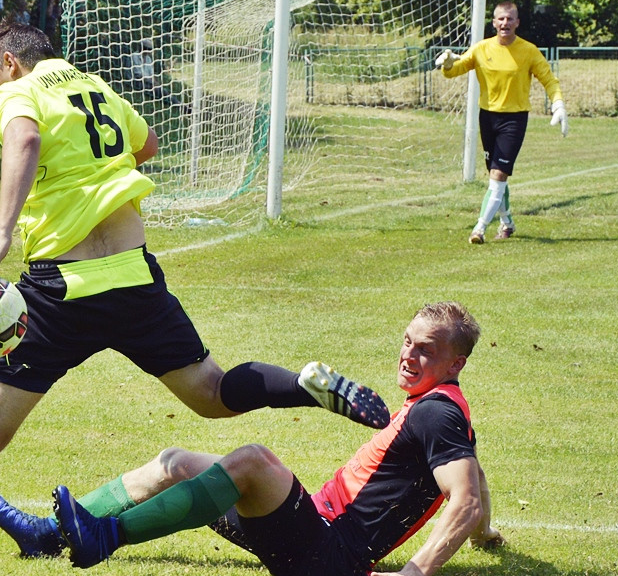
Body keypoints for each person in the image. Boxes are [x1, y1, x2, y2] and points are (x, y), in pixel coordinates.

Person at [0, 23, 391, 462]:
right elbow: (147, 143)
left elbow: (25, 138)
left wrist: (4, 228)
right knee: (212, 392)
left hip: (63, 291)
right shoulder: (94, 84)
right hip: (134, 278)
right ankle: (303, 383)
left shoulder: (19, 91)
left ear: (10, 62)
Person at [0, 301, 503, 576]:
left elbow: (464, 496)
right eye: (408, 341)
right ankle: (48, 535)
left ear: (455, 362)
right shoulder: (443, 408)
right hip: (312, 531)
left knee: (254, 461)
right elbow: (472, 481)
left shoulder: (437, 412)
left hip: (326, 554)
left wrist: (416, 570)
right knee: (176, 462)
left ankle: (103, 537)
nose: (408, 356)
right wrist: (485, 536)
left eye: (425, 351)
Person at [436, 1, 568, 244]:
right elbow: (458, 68)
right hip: (487, 117)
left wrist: (558, 104)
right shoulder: (481, 48)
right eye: (500, 19)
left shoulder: (529, 51)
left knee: (498, 174)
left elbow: (549, 80)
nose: (505, 23)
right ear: (494, 23)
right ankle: (507, 222)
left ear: (517, 22)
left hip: (514, 120)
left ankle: (479, 228)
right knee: (496, 175)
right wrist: (447, 64)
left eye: (509, 19)